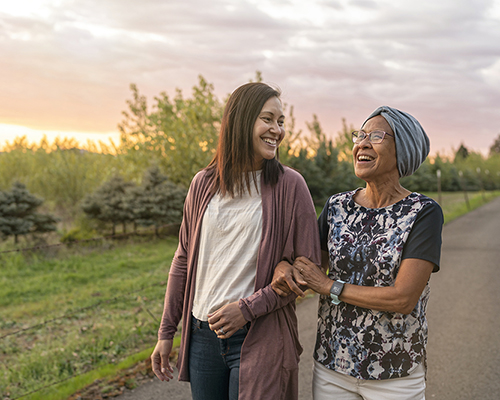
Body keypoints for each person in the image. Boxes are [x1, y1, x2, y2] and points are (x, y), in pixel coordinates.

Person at [150, 82, 321, 400]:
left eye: (280, 121)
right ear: (241, 121)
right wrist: (166, 332)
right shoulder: (203, 184)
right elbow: (183, 259)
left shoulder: (290, 185)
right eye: (267, 119)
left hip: (259, 333)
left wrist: (247, 309)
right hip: (202, 336)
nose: (277, 130)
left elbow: (306, 269)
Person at [272, 106, 443, 400]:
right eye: (360, 135)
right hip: (332, 368)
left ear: (402, 150)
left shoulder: (423, 213)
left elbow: (403, 298)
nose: (362, 143)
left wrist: (330, 286)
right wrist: (283, 268)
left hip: (395, 374)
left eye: (376, 136)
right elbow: (308, 267)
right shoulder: (337, 207)